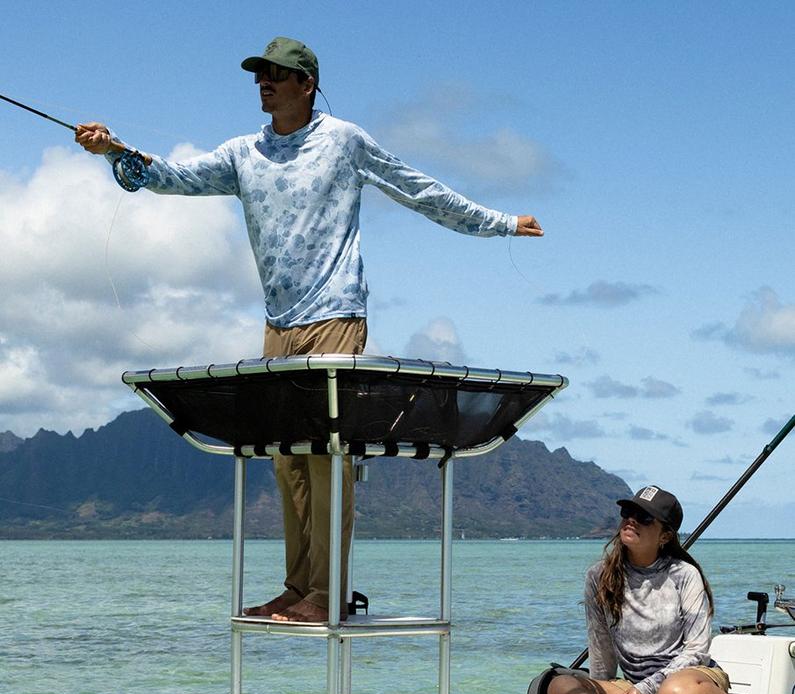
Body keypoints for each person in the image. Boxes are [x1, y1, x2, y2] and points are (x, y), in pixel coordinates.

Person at [75, 35, 544, 624]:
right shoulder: (243, 153)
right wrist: (115, 151)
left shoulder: (343, 141)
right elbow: (172, 176)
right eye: (259, 73)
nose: (263, 82)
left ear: (307, 84)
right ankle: (298, 588)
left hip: (336, 316)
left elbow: (417, 188)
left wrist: (500, 223)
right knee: (286, 460)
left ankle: (328, 593)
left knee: (328, 459)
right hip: (279, 326)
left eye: (276, 73)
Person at [547, 485, 795, 694]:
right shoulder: (599, 577)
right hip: (637, 687)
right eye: (628, 511)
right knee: (561, 687)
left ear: (665, 536)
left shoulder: (684, 575)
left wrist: (649, 688)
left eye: (644, 517)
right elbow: (602, 653)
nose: (631, 519)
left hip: (690, 681)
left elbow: (697, 650)